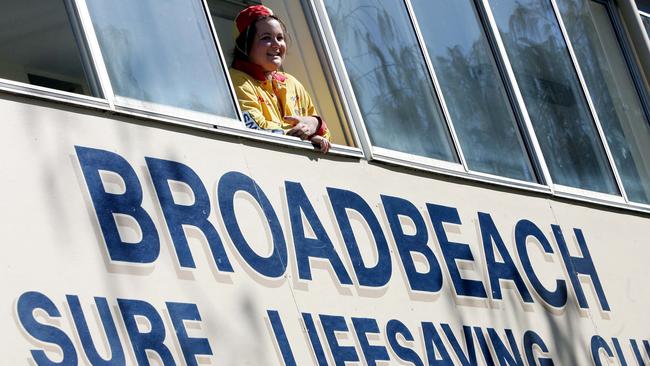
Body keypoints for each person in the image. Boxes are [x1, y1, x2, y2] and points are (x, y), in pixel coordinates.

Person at [229, 5, 331, 153]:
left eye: (280, 37)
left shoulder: (292, 83)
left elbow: (325, 137)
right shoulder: (236, 81)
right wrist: (305, 136)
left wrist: (315, 123)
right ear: (244, 44)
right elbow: (255, 128)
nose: (277, 44)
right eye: (266, 38)